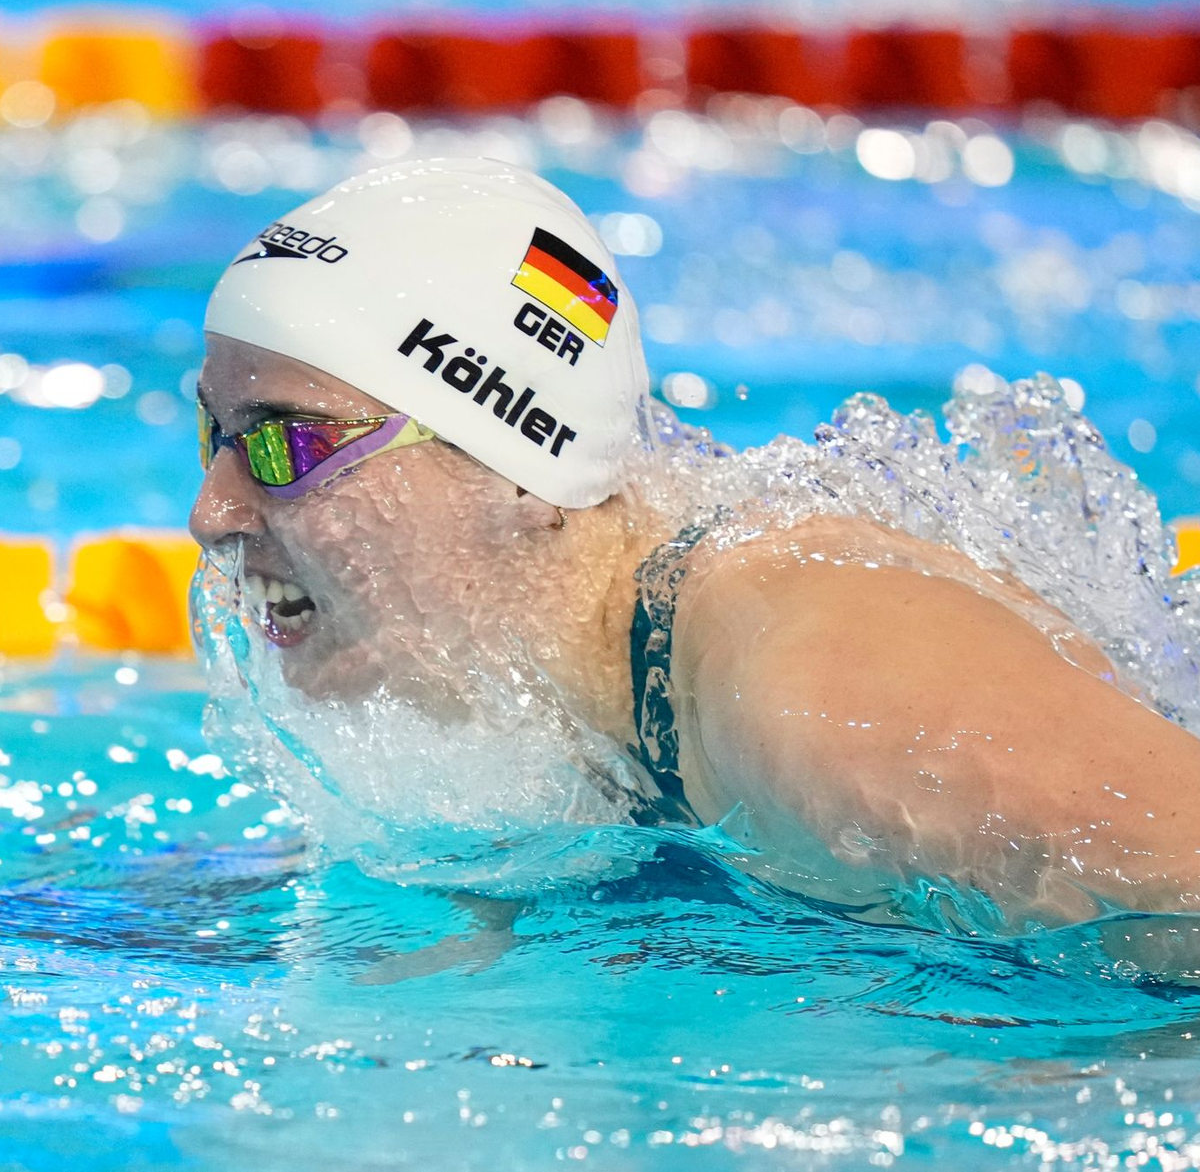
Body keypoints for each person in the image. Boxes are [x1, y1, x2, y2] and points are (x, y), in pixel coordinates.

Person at [191, 156, 1200, 927]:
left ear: (518, 468)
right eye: (217, 435)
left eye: (287, 442)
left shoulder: (823, 692)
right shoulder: (555, 689)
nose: (213, 512)